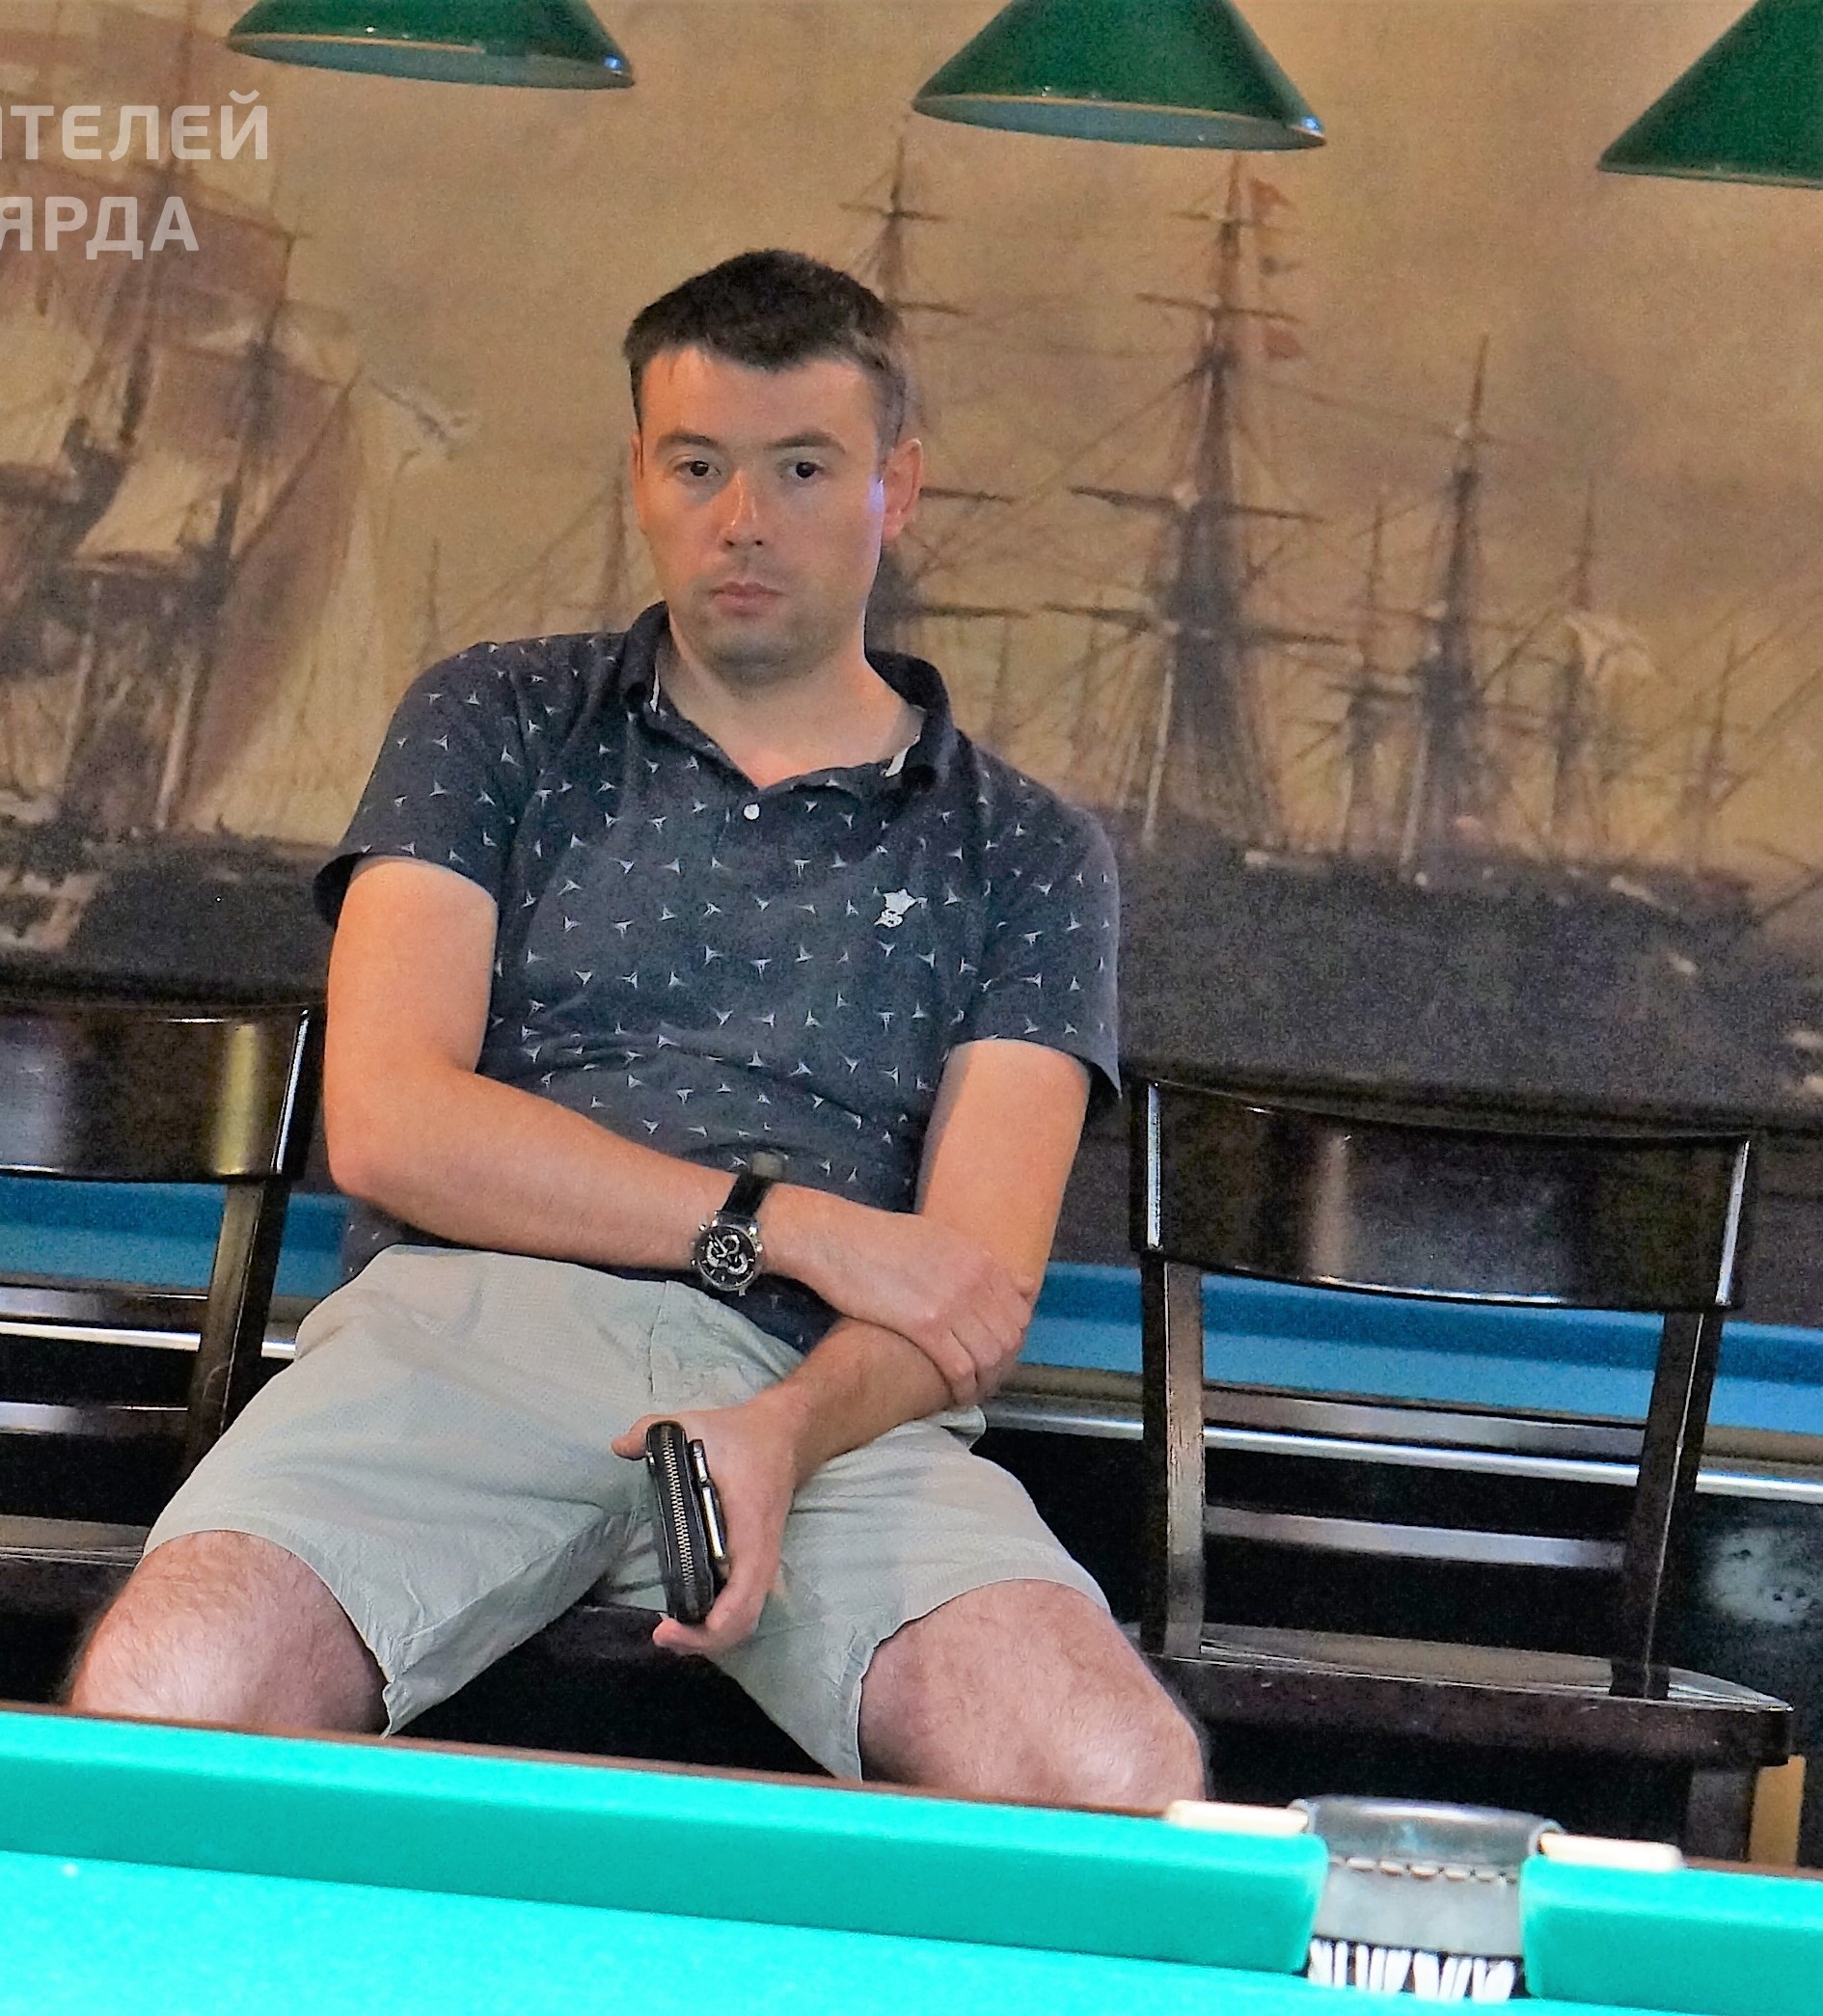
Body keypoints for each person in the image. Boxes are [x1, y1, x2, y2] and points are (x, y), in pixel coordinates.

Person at [72, 250, 1202, 1808]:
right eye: (698, 465)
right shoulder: (491, 716)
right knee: (170, 1684)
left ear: (899, 487)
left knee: (1112, 1769)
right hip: (462, 1339)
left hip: (826, 1405)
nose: (744, 519)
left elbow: (965, 1298)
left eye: (803, 468)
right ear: (640, 479)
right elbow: (390, 1123)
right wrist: (785, 1226)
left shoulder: (1030, 847)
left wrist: (782, 1434)